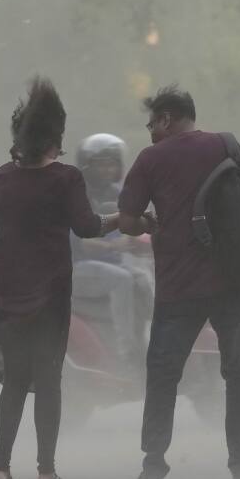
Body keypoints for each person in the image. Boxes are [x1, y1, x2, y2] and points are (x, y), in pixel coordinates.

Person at [0, 77, 118, 479]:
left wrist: (8, 242)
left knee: (15, 381)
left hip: (8, 295)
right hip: (52, 295)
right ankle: (45, 473)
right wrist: (124, 221)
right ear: (56, 137)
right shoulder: (66, 178)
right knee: (49, 381)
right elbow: (87, 227)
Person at [118, 85, 240, 479]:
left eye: (152, 123)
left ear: (166, 119)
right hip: (233, 278)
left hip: (178, 285)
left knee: (164, 375)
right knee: (239, 371)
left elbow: (128, 221)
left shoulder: (152, 158)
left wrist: (149, 222)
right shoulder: (226, 145)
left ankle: (152, 468)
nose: (150, 131)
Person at [72, 133, 153, 366]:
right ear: (87, 165)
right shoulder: (79, 195)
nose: (108, 170)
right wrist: (111, 245)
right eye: (101, 164)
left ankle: (151, 340)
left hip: (110, 264)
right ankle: (125, 352)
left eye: (112, 164)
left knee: (145, 279)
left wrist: (143, 241)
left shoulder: (117, 193)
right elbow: (82, 243)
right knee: (122, 280)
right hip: (76, 266)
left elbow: (136, 227)